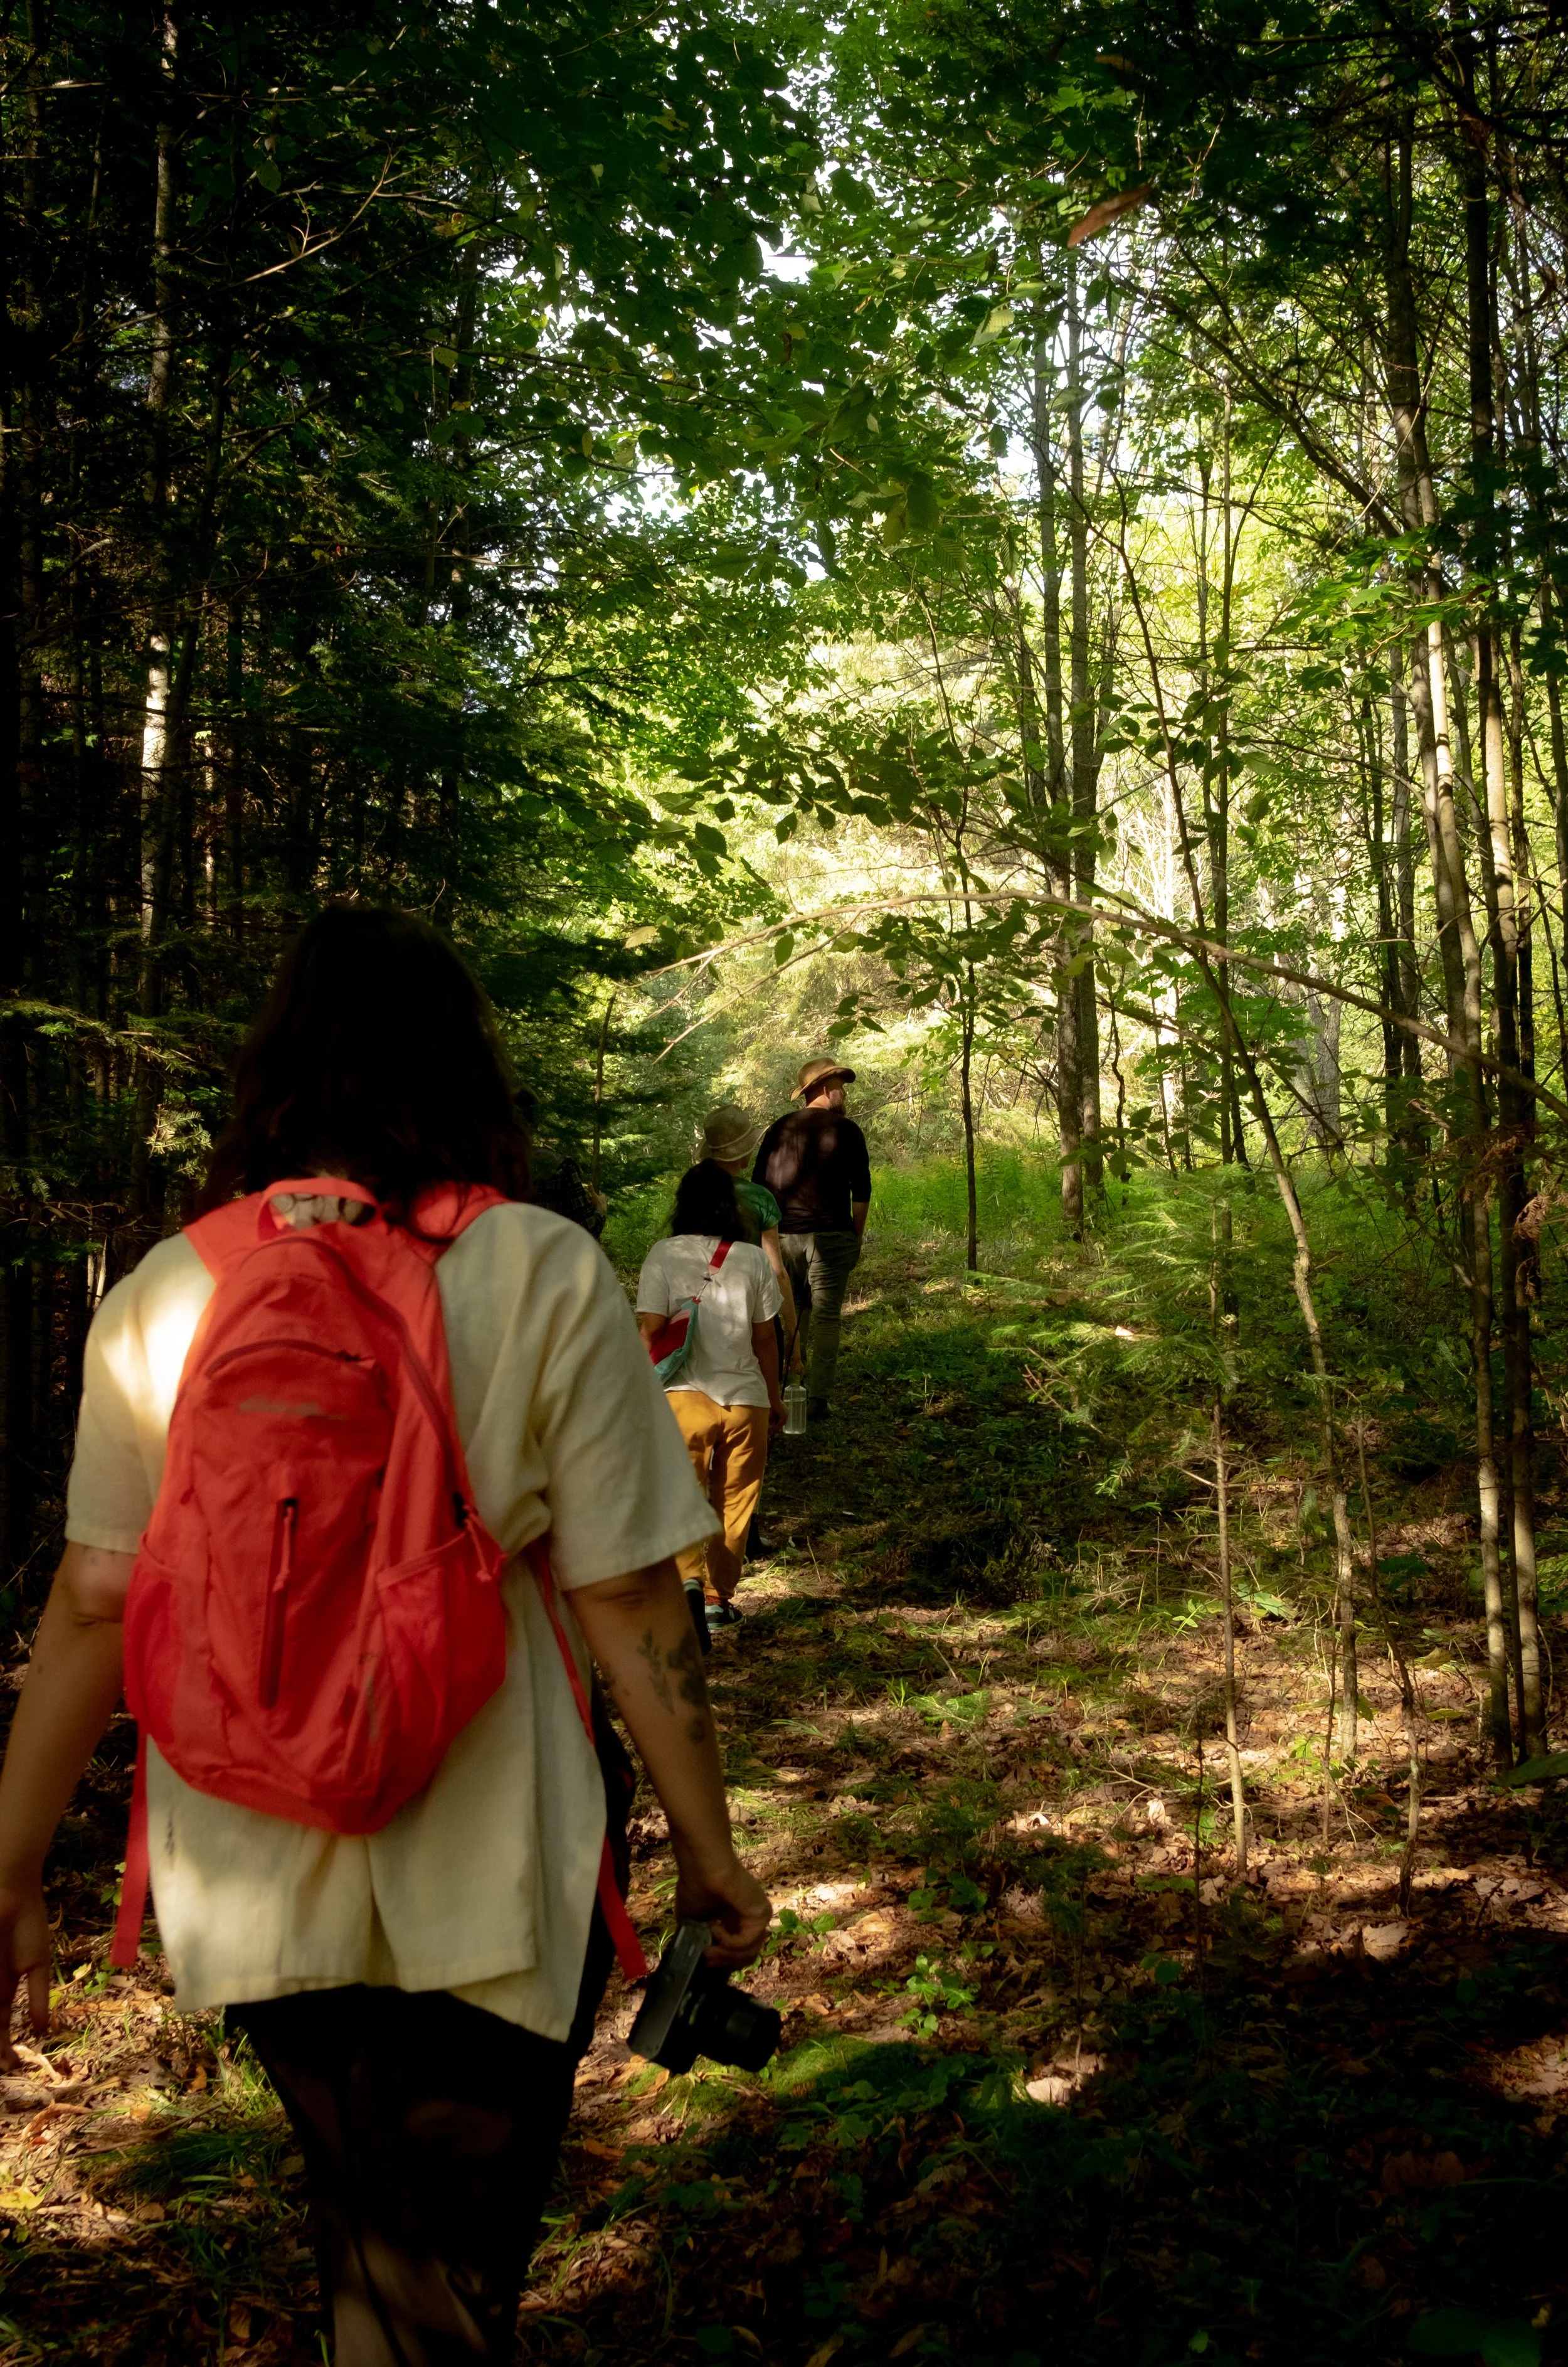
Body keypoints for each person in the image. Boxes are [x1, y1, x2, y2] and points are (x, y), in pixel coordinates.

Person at [0, 906, 770, 2367]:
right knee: (436, 2286)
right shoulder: (542, 1269)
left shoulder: (168, 1288)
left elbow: (97, 1597)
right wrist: (712, 1853)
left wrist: (13, 1864)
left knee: (384, 2242)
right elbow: (627, 1595)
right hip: (491, 1879)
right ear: (466, 1072)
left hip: (249, 1878)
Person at [635, 1161, 783, 1635]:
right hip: (745, 1400)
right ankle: (720, 1598)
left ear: (683, 1204)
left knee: (680, 1496)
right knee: (736, 1499)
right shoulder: (754, 1258)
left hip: (683, 1400)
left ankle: (688, 1585)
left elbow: (652, 1330)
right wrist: (775, 1398)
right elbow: (765, 1339)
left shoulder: (662, 1254)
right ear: (730, 1206)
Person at [753, 1057, 871, 1424]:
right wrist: (856, 1235)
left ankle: (789, 1389)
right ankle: (817, 1400)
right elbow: (862, 1191)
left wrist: (766, 1236)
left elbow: (759, 1188)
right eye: (840, 1085)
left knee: (792, 1311)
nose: (843, 1093)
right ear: (823, 1089)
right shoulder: (846, 1130)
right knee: (826, 1318)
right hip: (832, 1237)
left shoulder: (778, 1130)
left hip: (784, 1237)